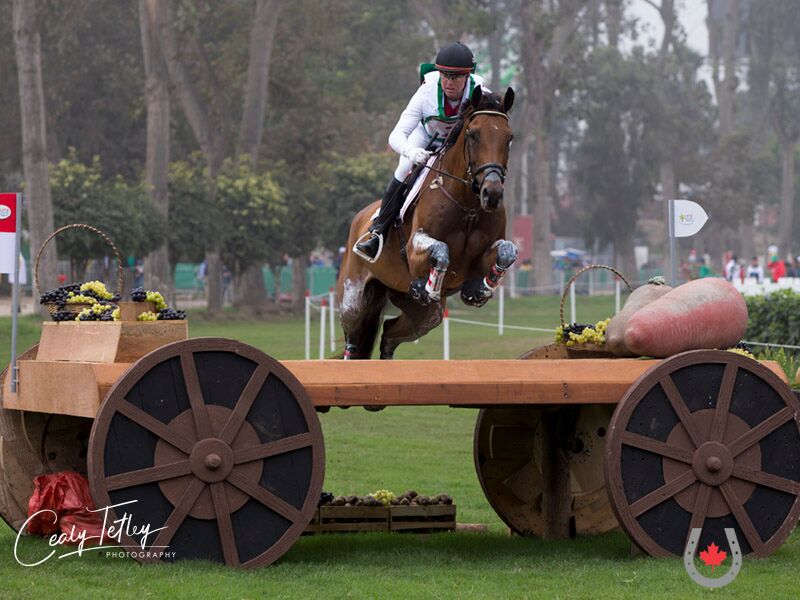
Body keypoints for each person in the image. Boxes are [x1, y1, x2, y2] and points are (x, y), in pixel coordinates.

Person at [354, 42, 488, 261]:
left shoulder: (481, 94)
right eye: (444, 75)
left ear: (467, 77)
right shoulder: (426, 91)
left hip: (458, 147)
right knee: (404, 166)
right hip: (425, 137)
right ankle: (378, 231)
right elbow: (396, 135)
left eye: (455, 77)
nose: (448, 82)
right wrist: (411, 152)